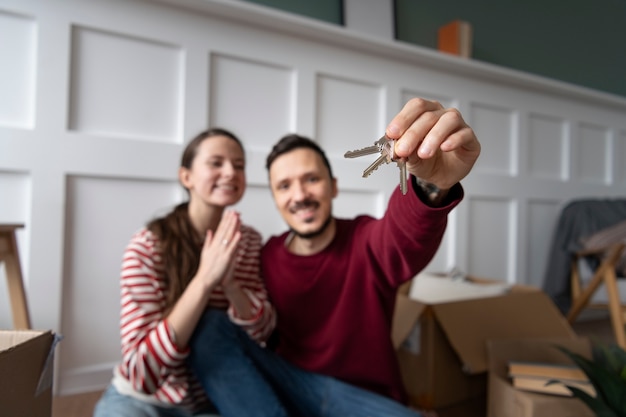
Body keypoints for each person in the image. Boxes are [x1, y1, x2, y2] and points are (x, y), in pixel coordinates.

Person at [188, 97, 481, 416]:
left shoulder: (365, 240)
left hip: (360, 399)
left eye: (311, 179)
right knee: (210, 327)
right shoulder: (265, 256)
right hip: (290, 387)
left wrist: (432, 183)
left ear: (333, 187)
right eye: (285, 186)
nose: (299, 196)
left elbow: (404, 237)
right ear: (275, 200)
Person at [93, 128, 287, 417]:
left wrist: (232, 286)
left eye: (239, 165)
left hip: (209, 403)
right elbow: (139, 373)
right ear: (187, 177)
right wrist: (205, 281)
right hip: (145, 401)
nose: (230, 172)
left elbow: (263, 333)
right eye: (216, 163)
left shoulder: (248, 242)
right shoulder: (148, 245)